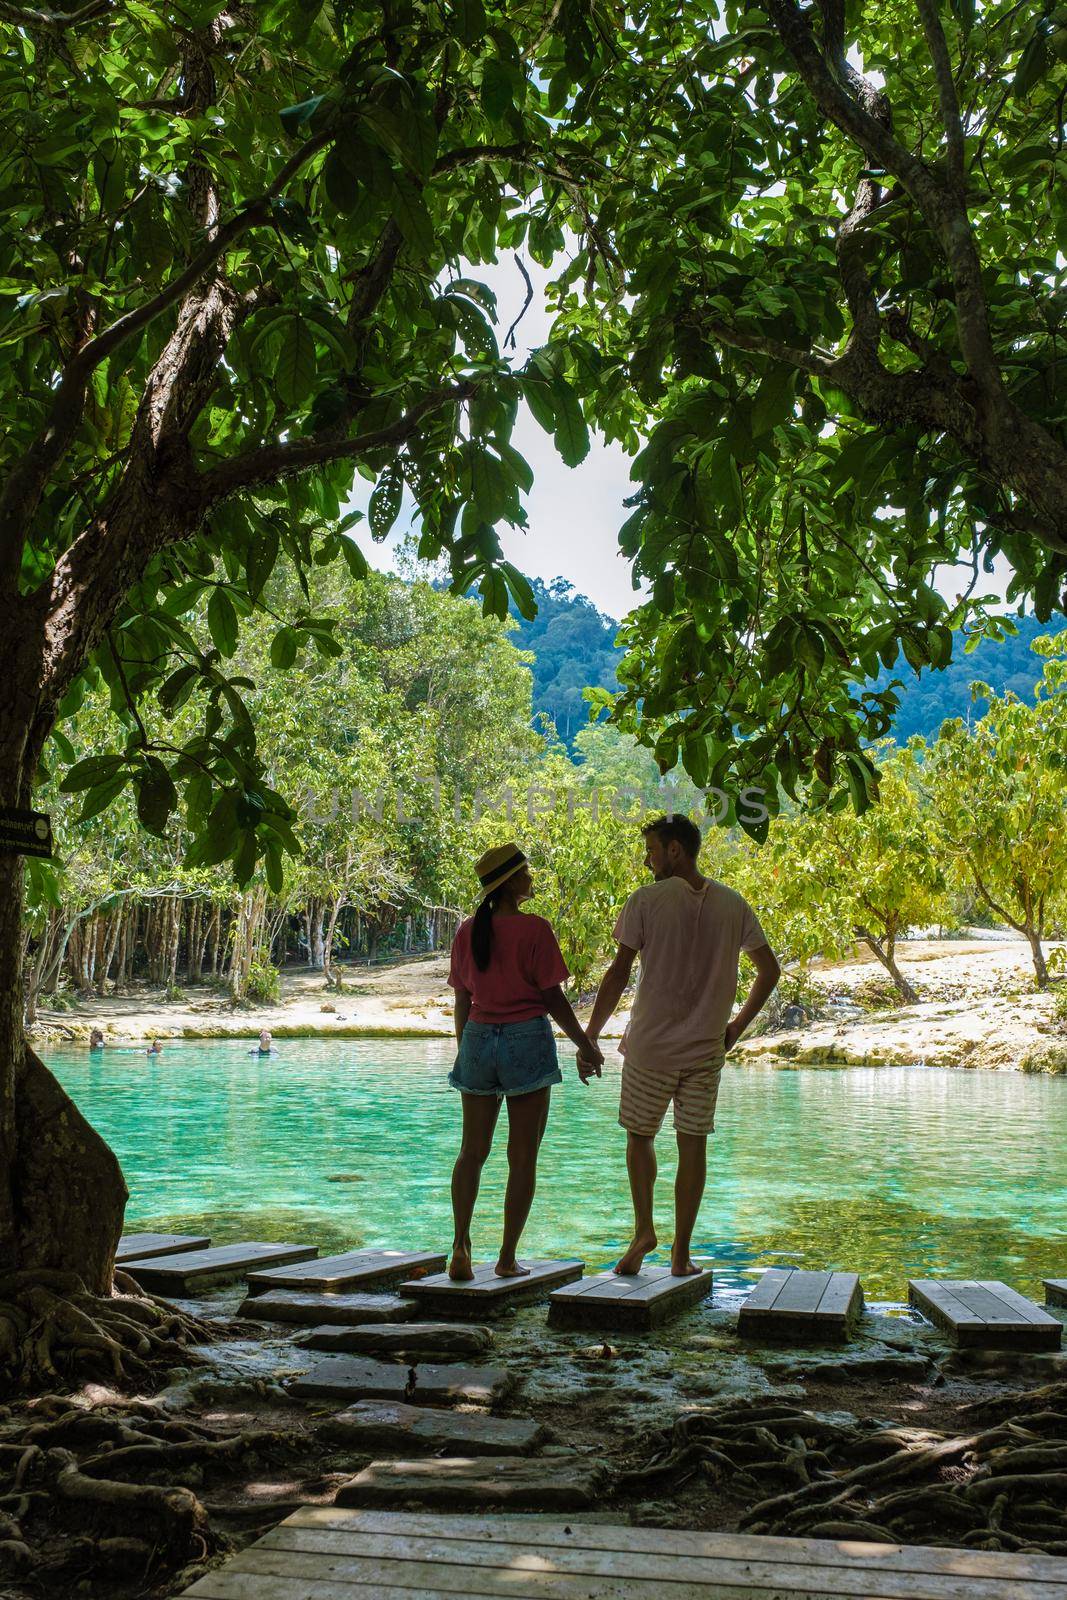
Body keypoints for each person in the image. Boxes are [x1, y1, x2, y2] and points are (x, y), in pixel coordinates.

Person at [583, 815, 780, 1278]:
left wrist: (591, 1034)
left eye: (651, 849)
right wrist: (736, 1027)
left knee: (639, 1136)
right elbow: (769, 971)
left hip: (650, 1047)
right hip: (707, 1049)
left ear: (674, 850)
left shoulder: (646, 901)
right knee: (693, 1145)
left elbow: (618, 974)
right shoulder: (734, 904)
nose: (647, 859)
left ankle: (644, 1231)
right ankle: (681, 1254)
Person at [447, 841, 603, 1282]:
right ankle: (506, 1258)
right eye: (526, 873)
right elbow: (552, 997)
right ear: (512, 882)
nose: (531, 879)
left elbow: (462, 997)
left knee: (471, 1152)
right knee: (523, 1157)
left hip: (477, 1037)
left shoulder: (467, 930)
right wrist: (585, 1045)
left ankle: (459, 1248)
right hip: (525, 1041)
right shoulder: (535, 929)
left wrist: (467, 1049)